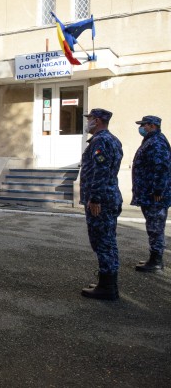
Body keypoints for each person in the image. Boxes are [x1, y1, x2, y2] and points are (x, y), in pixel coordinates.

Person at [79, 108, 123, 300]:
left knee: (103, 242)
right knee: (107, 241)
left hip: (101, 200)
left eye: (89, 118)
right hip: (109, 197)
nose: (87, 122)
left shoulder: (100, 141)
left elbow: (101, 170)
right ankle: (106, 282)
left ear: (97, 121)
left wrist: (95, 198)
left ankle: (107, 287)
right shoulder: (112, 139)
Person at [131, 115, 170, 273]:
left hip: (155, 195)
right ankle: (154, 258)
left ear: (152, 126)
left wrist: (158, 190)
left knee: (155, 228)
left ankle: (156, 262)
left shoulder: (157, 142)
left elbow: (162, 167)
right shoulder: (151, 140)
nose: (141, 128)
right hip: (149, 193)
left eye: (144, 125)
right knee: (153, 227)